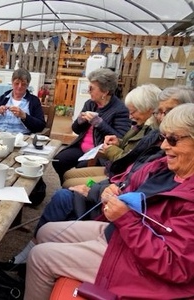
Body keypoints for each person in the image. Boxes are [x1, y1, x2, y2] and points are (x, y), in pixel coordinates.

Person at [25, 103, 194, 300]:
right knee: (47, 231)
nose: (164, 146)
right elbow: (130, 184)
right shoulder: (163, 167)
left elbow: (175, 266)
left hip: (138, 266)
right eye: (164, 138)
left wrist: (125, 219)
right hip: (121, 235)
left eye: (172, 140)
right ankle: (38, 281)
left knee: (39, 257)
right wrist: (115, 191)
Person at [63, 85, 194, 187]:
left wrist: (110, 149)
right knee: (67, 174)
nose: (130, 116)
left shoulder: (156, 134)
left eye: (133, 111)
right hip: (118, 173)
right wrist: (118, 142)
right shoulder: (144, 128)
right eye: (159, 112)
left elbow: (133, 162)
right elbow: (132, 151)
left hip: (120, 175)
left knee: (69, 183)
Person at [52, 68, 131, 185]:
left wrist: (99, 123)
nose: (88, 91)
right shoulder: (90, 104)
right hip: (81, 147)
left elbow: (120, 138)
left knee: (81, 166)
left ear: (105, 91)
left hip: (100, 152)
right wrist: (79, 121)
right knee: (58, 160)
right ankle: (67, 187)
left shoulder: (120, 109)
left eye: (92, 88)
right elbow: (76, 130)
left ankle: (77, 189)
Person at [0, 68, 46, 134]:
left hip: (19, 138)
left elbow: (41, 125)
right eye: (17, 83)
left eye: (23, 84)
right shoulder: (3, 98)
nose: (19, 86)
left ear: (28, 85)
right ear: (12, 82)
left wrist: (24, 116)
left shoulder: (33, 101)